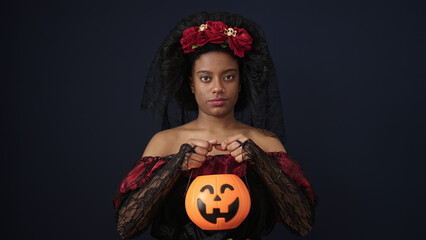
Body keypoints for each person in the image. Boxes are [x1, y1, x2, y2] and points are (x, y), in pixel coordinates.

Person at [113, 12, 317, 240]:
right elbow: (126, 225)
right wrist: (173, 168)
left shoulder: (266, 142)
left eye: (228, 77)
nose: (218, 87)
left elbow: (302, 223)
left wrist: (262, 161)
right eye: (206, 78)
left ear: (241, 82)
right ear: (191, 84)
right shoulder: (164, 142)